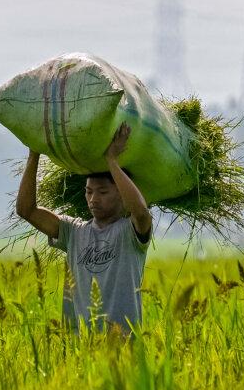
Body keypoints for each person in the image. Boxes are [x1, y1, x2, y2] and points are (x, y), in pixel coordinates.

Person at [15, 123, 153, 334]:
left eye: (103, 192)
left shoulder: (130, 232)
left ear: (121, 195)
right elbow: (27, 210)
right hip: (79, 348)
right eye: (88, 192)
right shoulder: (73, 232)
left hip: (123, 346)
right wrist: (34, 153)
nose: (93, 199)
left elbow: (141, 212)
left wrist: (111, 161)